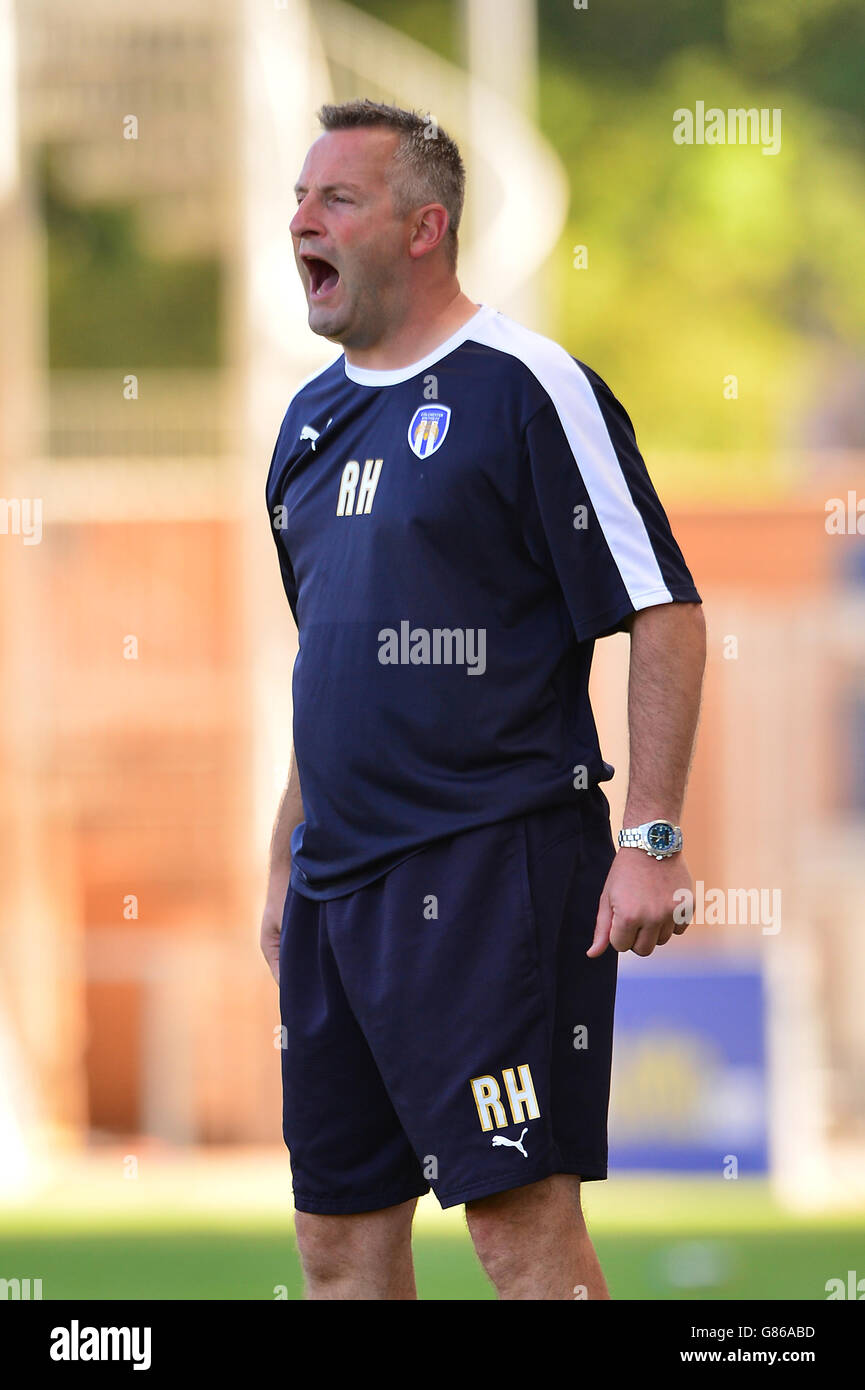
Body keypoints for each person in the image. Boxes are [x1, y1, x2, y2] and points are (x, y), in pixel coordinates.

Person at [260, 98, 706, 1301]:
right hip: (334, 889)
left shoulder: (528, 388)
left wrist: (650, 837)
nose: (300, 221)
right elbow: (329, 666)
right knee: (338, 1250)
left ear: (424, 227)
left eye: (335, 199)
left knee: (519, 1237)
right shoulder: (308, 425)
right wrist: (283, 863)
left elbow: (662, 608)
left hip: (487, 869)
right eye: (297, 199)